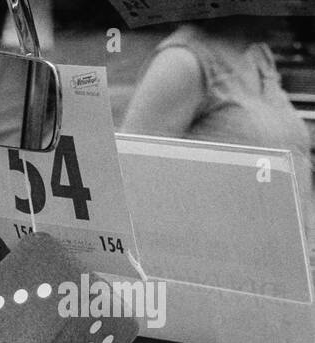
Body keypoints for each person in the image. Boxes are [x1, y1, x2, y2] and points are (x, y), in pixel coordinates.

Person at [123, 16, 313, 221]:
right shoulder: (182, 61)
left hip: (288, 244)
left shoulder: (258, 55)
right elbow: (134, 180)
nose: (297, 8)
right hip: (224, 246)